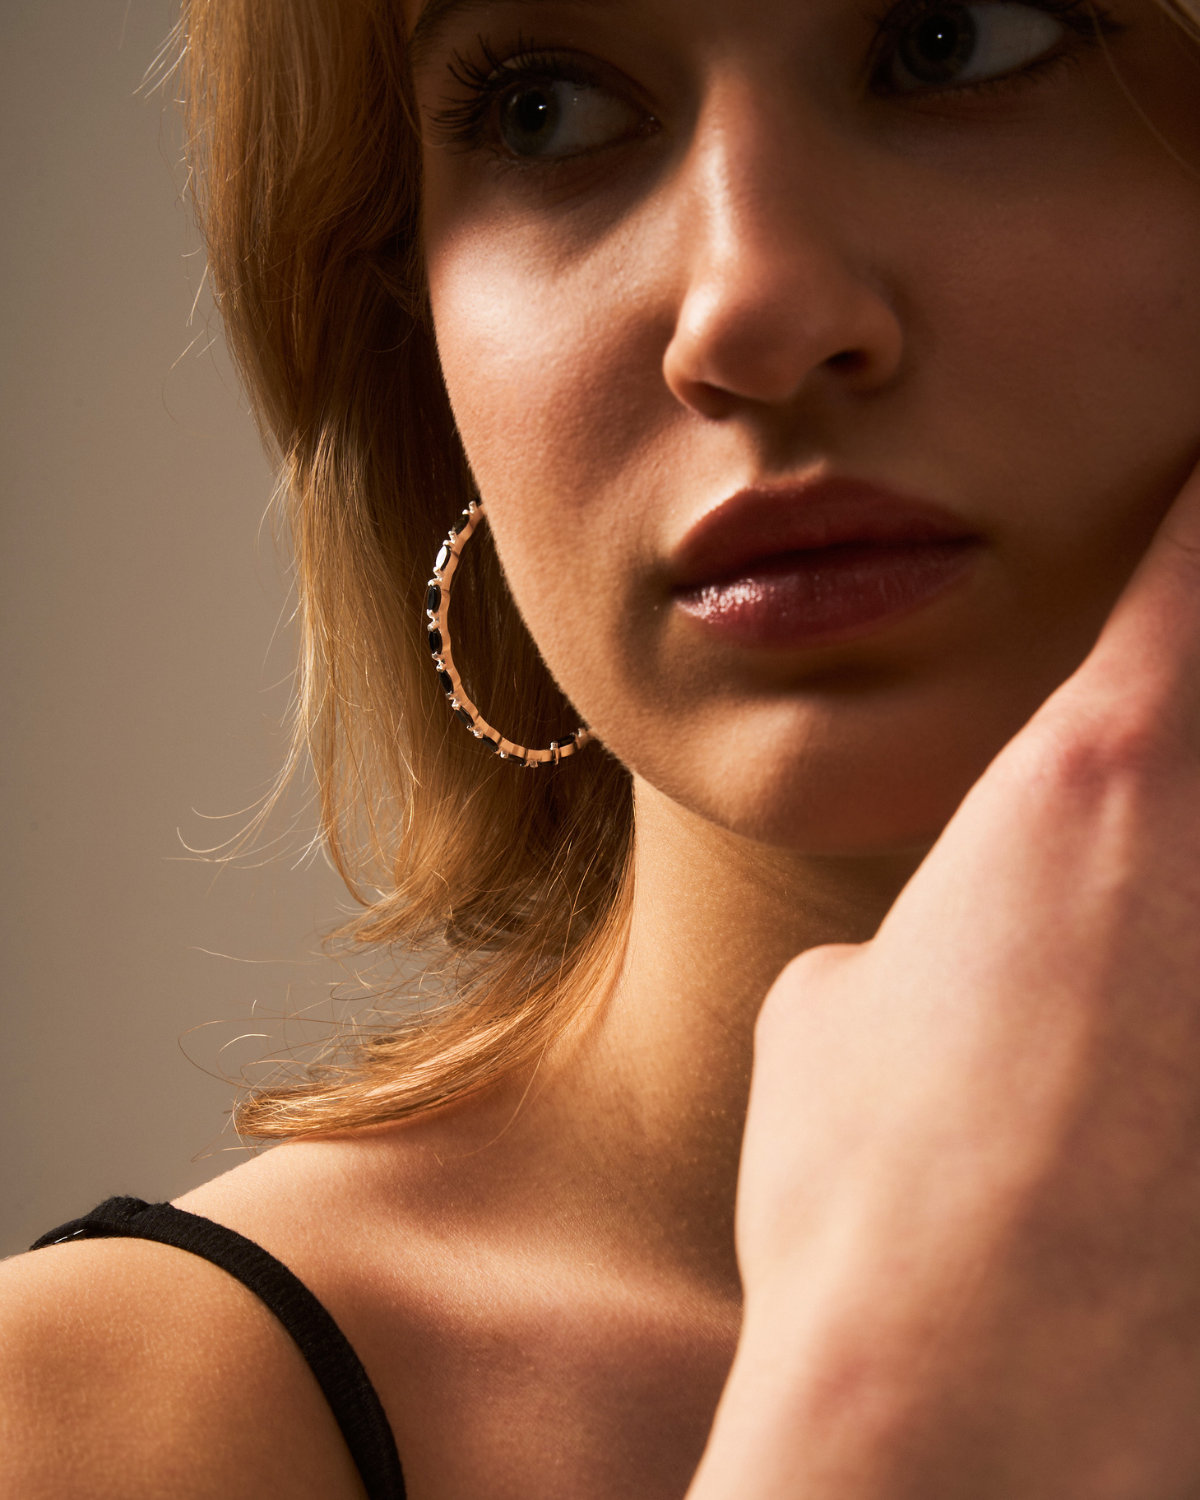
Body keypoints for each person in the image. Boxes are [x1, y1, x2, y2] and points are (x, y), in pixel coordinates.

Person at [4, 0, 1200, 1493]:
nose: (748, 311)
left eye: (958, 39)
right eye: (545, 109)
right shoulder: (91, 1428)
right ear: (414, 350)